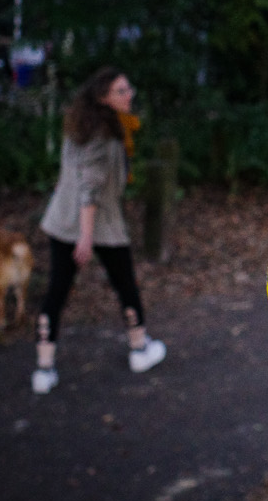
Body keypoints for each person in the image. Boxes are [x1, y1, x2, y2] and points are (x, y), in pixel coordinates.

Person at [32, 67, 167, 393]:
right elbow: (89, 189)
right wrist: (87, 236)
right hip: (97, 223)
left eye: (128, 88)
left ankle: (44, 369)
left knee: (57, 291)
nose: (129, 94)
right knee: (125, 285)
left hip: (61, 220)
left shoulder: (79, 126)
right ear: (103, 97)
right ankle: (139, 349)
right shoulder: (104, 135)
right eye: (121, 90)